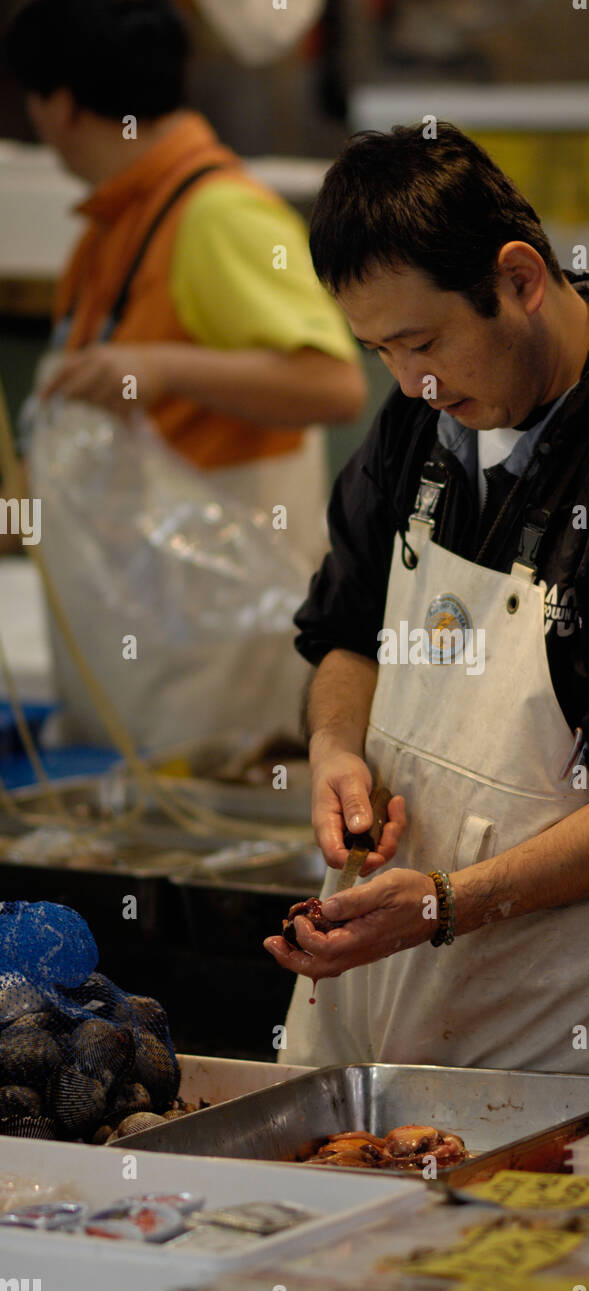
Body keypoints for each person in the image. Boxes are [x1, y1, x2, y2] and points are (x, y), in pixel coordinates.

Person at [264, 123, 589, 1090]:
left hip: (579, 1028)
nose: (410, 382)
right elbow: (344, 631)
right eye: (379, 350)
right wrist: (337, 753)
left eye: (423, 342)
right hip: (383, 997)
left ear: (518, 278)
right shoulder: (419, 422)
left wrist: (450, 904)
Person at [5, 0, 365, 748]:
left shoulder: (217, 215)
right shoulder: (113, 230)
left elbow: (334, 385)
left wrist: (161, 367)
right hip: (137, 642)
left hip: (215, 668)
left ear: (61, 106)